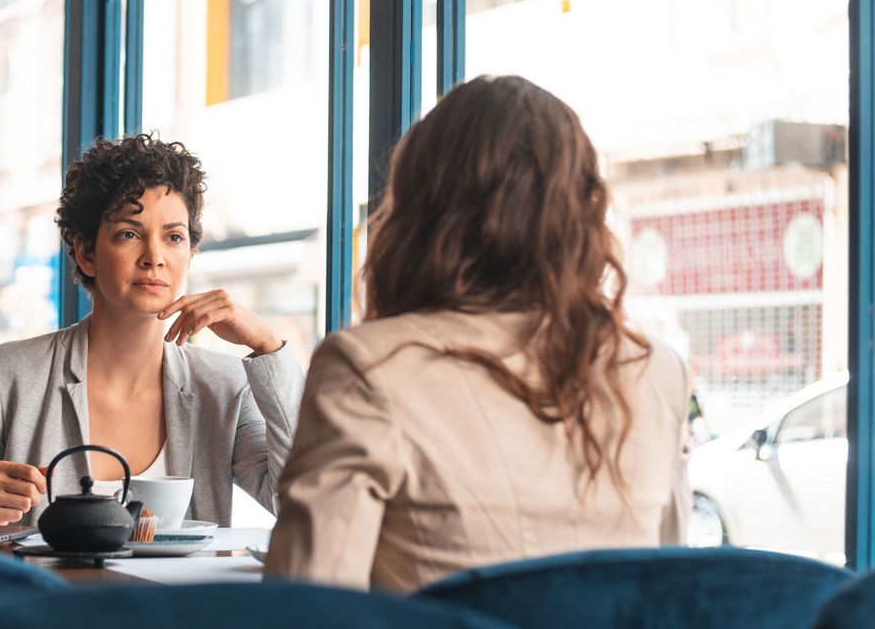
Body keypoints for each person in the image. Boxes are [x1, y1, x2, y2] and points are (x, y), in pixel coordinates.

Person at [263, 75, 691, 593]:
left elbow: (309, 608)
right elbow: (670, 587)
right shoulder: (656, 372)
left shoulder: (368, 367)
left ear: (422, 209)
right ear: (580, 214)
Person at [0, 134, 304, 527]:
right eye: (129, 233)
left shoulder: (224, 386)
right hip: (49, 589)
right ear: (86, 252)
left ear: (190, 255)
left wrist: (267, 347)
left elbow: (303, 503)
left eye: (173, 237)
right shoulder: (6, 374)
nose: (154, 258)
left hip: (179, 592)